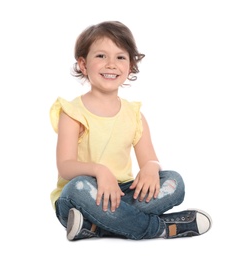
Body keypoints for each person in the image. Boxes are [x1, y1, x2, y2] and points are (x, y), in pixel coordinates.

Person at [49, 20, 212, 241]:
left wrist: (151, 169)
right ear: (83, 65)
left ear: (131, 66)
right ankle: (161, 228)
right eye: (101, 56)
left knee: (174, 182)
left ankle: (96, 226)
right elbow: (66, 166)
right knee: (77, 188)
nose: (111, 64)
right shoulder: (72, 112)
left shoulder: (134, 115)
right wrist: (100, 171)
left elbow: (150, 161)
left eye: (120, 57)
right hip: (82, 197)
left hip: (120, 194)